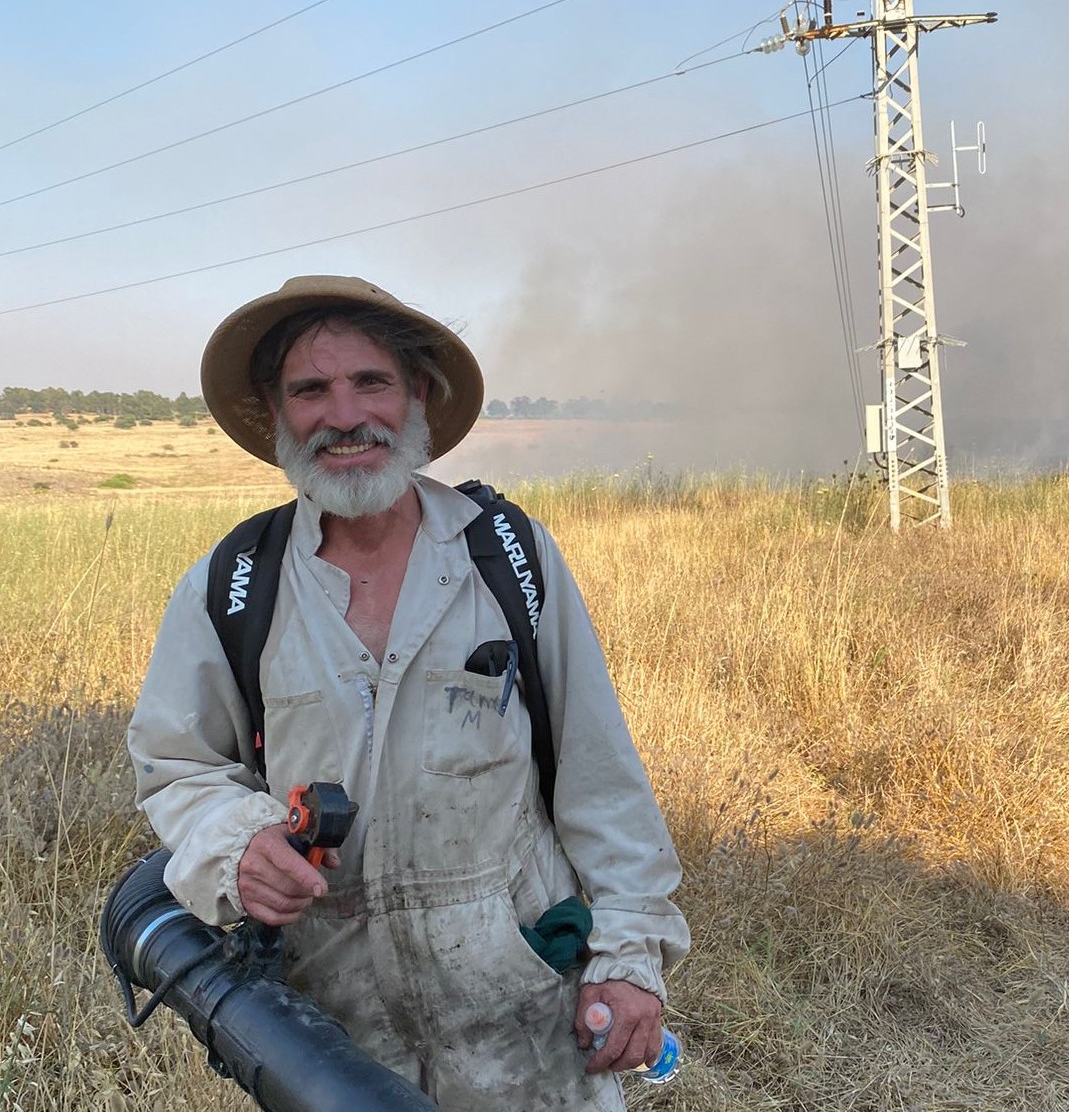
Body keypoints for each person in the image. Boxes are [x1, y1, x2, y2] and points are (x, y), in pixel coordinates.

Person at [127, 275, 689, 1111]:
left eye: (371, 382)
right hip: (332, 1046)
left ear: (417, 396)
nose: (344, 415)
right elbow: (178, 767)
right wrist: (238, 843)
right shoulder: (234, 586)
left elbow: (598, 775)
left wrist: (630, 957)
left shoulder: (508, 556)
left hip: (527, 1029)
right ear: (278, 415)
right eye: (310, 390)